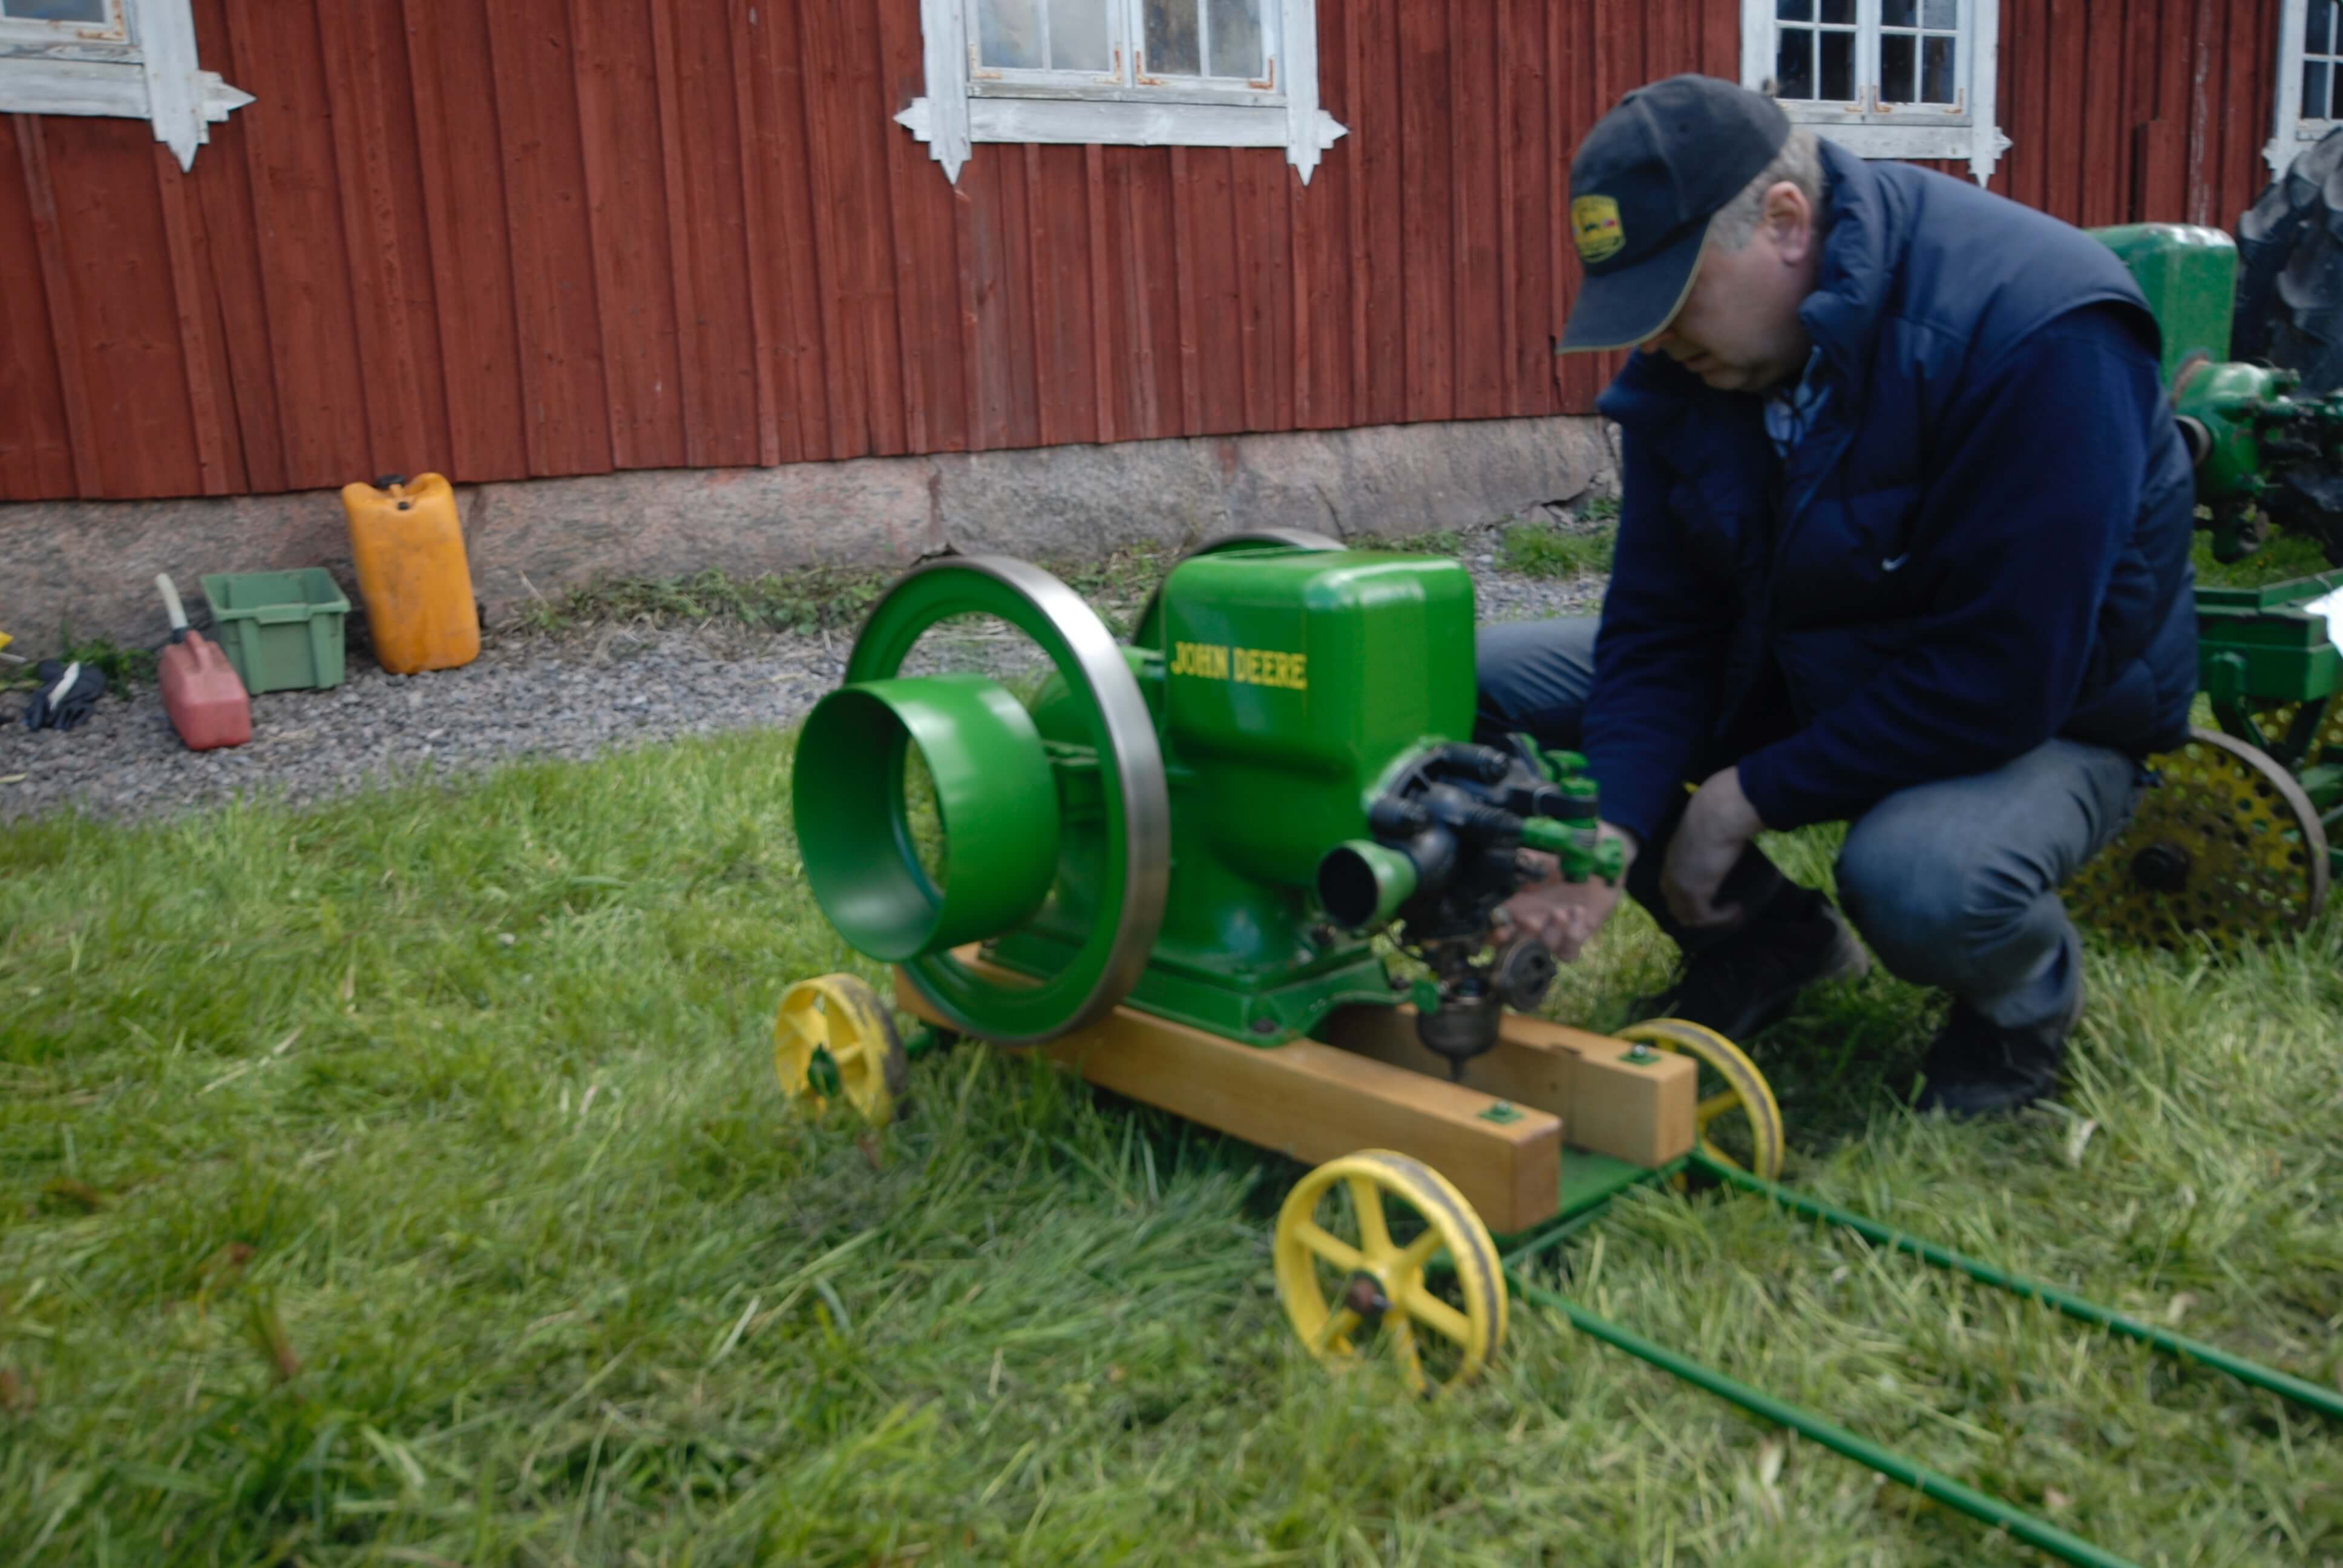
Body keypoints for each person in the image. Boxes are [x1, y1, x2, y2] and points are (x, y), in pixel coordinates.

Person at [1479, 74, 2199, 1117]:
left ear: (1785, 222)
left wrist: (1744, 796)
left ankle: (2015, 1019)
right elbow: (1662, 628)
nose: (1657, 337)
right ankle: (1770, 944)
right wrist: (1610, 832)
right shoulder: (1699, 364)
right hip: (1813, 658)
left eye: (1675, 296)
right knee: (1469, 683)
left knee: (1922, 878)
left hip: (2050, 710)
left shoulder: (2042, 327)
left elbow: (2006, 677)